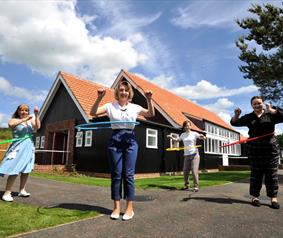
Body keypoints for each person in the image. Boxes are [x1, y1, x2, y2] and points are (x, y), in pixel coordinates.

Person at [90, 81, 155, 220]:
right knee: (116, 174)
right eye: (121, 90)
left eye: (126, 90)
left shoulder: (135, 107)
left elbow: (150, 113)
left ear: (129, 92)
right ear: (117, 92)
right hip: (115, 140)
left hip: (130, 140)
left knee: (129, 175)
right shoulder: (110, 106)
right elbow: (93, 112)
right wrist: (99, 97)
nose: (123, 92)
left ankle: (129, 209)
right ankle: (116, 208)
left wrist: (149, 99)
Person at [231, 96, 283, 209]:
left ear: (263, 103)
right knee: (256, 174)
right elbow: (234, 123)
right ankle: (255, 197)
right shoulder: (249, 117)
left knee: (272, 175)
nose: (257, 105)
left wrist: (273, 111)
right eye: (254, 104)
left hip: (271, 149)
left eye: (259, 103)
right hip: (255, 149)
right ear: (252, 106)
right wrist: (236, 115)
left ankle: (273, 198)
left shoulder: (270, 114)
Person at [0, 104, 41, 202]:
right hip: (18, 147)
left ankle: (22, 190)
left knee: (26, 169)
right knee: (15, 168)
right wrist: (25, 119)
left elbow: (37, 127)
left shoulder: (30, 121)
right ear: (18, 111)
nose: (24, 112)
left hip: (29, 147)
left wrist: (36, 115)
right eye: (22, 110)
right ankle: (7, 193)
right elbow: (11, 125)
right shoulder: (14, 120)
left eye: (26, 110)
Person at [167, 120, 206, 192]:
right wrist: (171, 137)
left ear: (190, 126)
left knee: (194, 171)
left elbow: (203, 138)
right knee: (185, 172)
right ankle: (186, 185)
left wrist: (203, 137)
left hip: (194, 155)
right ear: (184, 127)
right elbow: (177, 140)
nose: (187, 127)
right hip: (186, 155)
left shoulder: (194, 134)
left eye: (188, 125)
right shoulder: (183, 135)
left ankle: (196, 186)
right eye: (185, 126)